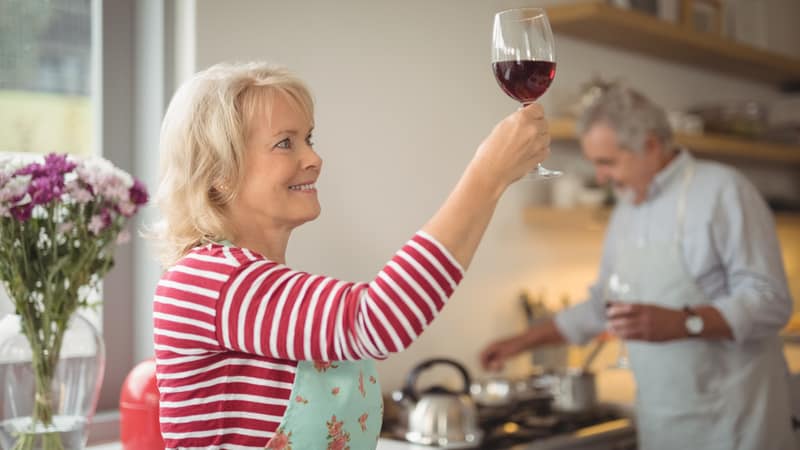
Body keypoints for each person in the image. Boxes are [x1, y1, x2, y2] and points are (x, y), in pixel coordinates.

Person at [151, 61, 550, 450]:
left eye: (309, 139)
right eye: (285, 143)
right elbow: (376, 320)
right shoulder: (206, 281)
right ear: (220, 174)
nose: (313, 159)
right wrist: (488, 174)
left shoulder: (258, 283)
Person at [479, 86, 797, 450]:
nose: (600, 177)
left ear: (650, 145)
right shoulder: (628, 209)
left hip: (736, 424)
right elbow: (604, 307)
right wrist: (520, 342)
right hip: (663, 421)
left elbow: (770, 301)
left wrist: (681, 322)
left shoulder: (724, 191)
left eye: (608, 162)